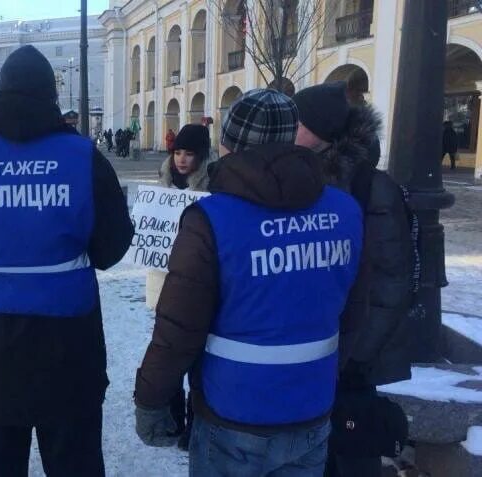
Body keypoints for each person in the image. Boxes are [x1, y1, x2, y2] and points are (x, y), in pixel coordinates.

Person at [134, 89, 365, 477]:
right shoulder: (345, 209)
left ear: (228, 145)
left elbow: (179, 329)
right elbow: (356, 311)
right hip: (311, 409)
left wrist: (151, 401)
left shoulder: (211, 219)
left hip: (233, 414)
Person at [0, 45, 133, 477]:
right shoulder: (83, 156)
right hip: (68, 338)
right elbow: (111, 247)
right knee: (74, 460)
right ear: (51, 95)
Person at [293, 82, 414, 477]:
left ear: (322, 129)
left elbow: (391, 282)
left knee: (347, 456)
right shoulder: (303, 179)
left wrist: (353, 356)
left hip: (351, 360)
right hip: (314, 350)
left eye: (299, 121)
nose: (290, 128)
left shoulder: (371, 187)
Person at [144, 124, 213, 451]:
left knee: (197, 359)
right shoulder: (161, 186)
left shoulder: (212, 190)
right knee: (167, 354)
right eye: (178, 153)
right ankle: (172, 417)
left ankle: (194, 422)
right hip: (164, 283)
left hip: (198, 285)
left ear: (201, 157)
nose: (182, 160)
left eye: (189, 154)